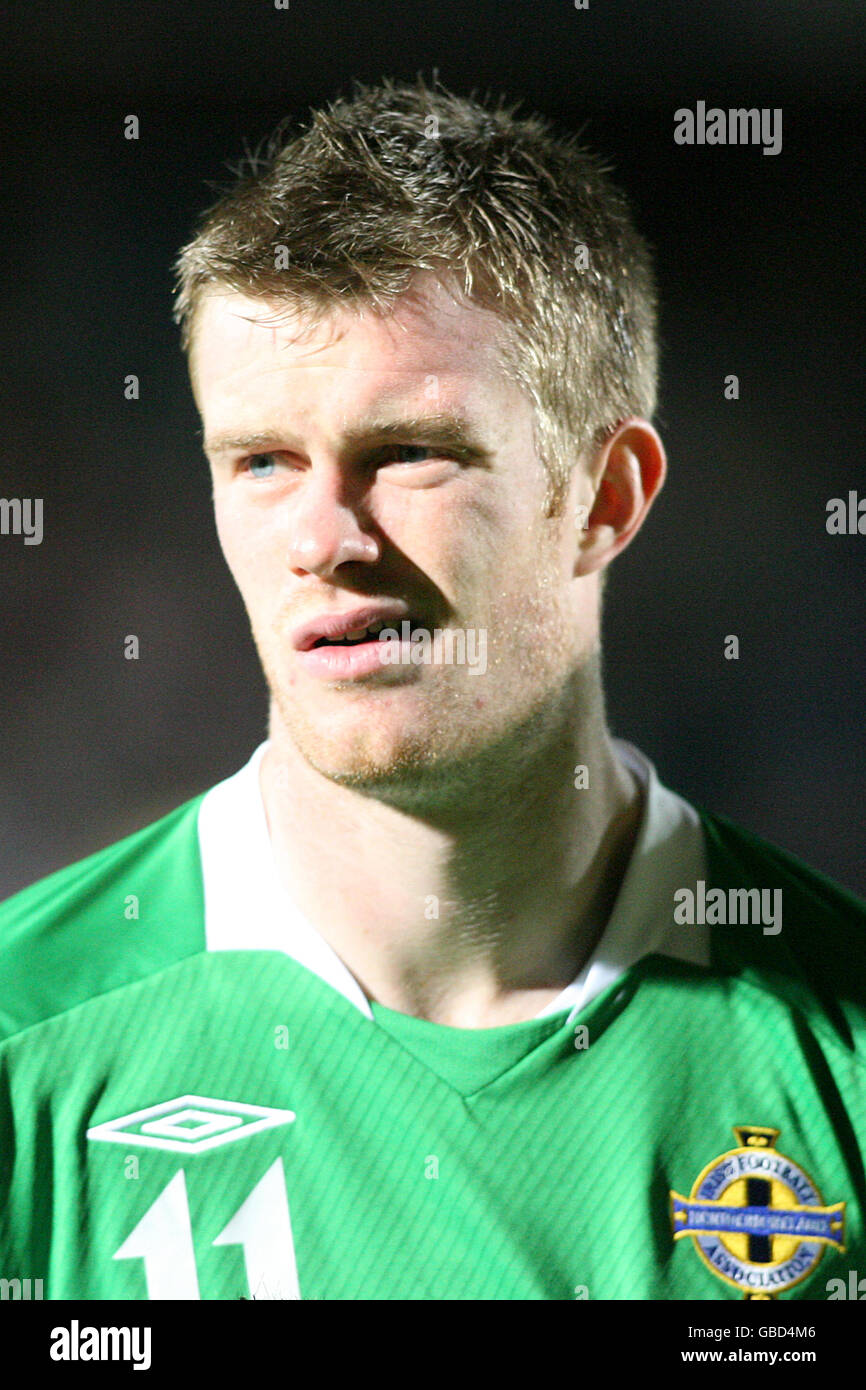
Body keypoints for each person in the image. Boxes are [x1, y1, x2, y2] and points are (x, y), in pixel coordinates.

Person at [1, 77, 863, 1303]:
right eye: (260, 461)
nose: (323, 537)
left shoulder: (837, 1057)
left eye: (408, 453)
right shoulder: (26, 1044)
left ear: (604, 497)